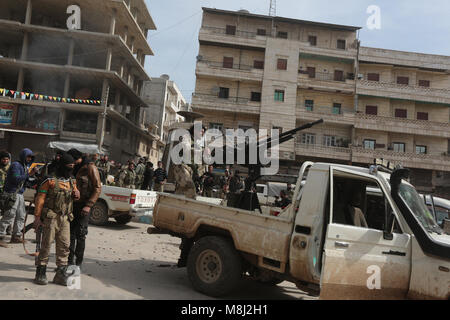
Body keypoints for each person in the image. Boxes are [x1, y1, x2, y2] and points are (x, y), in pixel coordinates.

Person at [33, 152, 80, 285]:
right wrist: (37, 217)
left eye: (72, 166)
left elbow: (76, 195)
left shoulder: (72, 180)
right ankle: (40, 273)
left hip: (65, 218)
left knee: (65, 246)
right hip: (51, 217)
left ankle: (60, 275)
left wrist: (77, 194)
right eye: (69, 166)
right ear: (62, 166)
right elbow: (40, 199)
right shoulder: (49, 180)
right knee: (46, 245)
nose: (71, 169)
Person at [67, 148, 102, 267]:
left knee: (81, 234)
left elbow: (97, 188)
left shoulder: (90, 168)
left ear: (78, 158)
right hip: (72, 205)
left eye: (73, 160)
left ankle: (78, 263)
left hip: (84, 205)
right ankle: (69, 261)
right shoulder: (72, 168)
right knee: (70, 234)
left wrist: (88, 205)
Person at [0, 148, 37, 242]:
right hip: (11, 193)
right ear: (23, 156)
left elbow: (25, 182)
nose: (29, 159)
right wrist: (28, 174)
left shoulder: (25, 166)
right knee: (9, 215)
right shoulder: (16, 165)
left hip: (20, 194)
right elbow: (16, 179)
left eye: (30, 157)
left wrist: (35, 179)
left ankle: (16, 236)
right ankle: (0, 236)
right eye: (28, 157)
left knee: (21, 215)